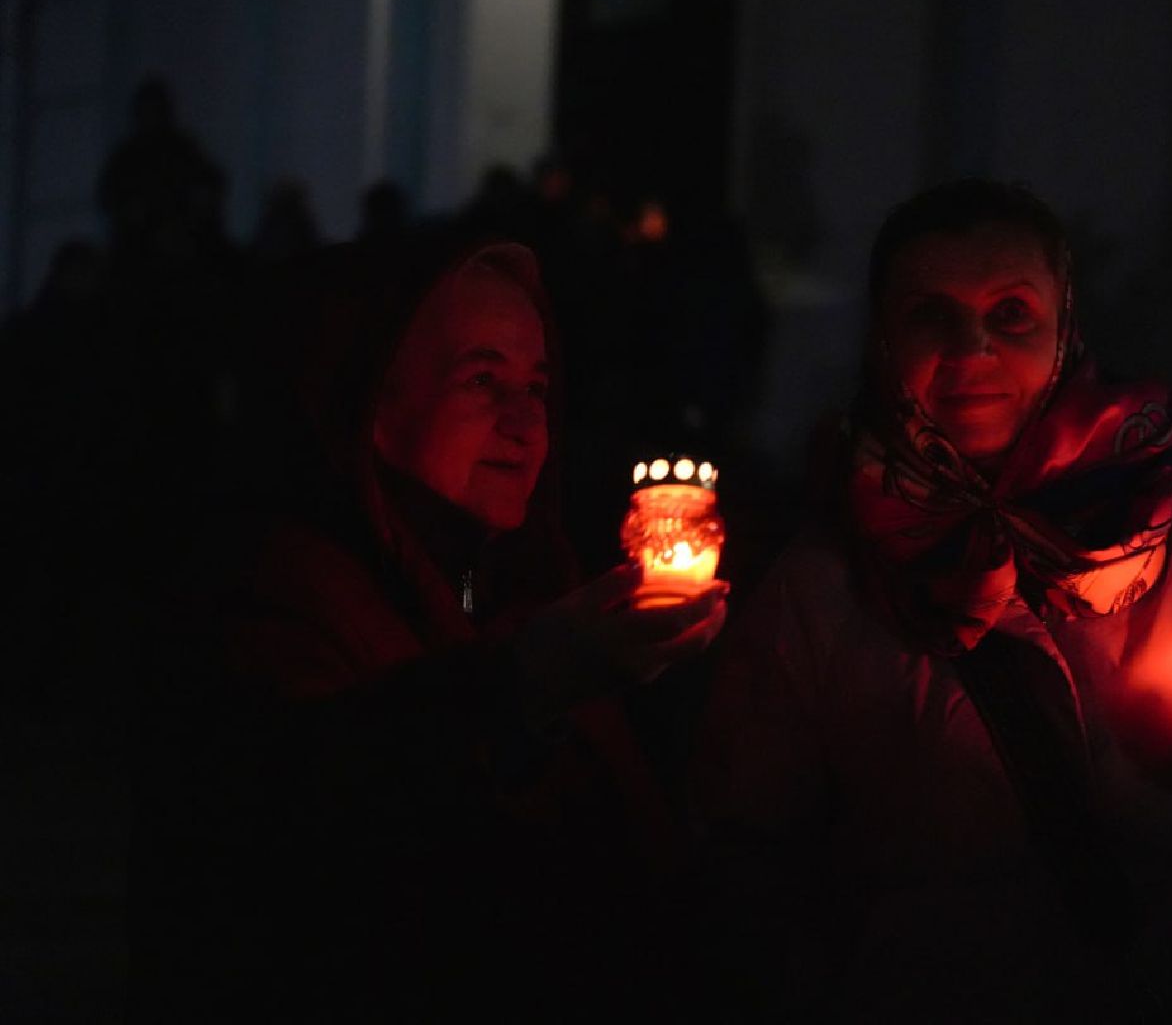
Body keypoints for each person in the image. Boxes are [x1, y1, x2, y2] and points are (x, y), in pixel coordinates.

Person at [692, 181, 1172, 1021]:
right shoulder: (820, 590)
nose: (971, 347)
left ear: (1064, 329)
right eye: (931, 315)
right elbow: (741, 862)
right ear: (883, 341)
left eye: (1011, 314)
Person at [128, 233, 727, 1023]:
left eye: (538, 388)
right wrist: (529, 682)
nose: (524, 422)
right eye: (483, 380)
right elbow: (307, 827)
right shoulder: (278, 590)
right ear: (374, 403)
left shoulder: (517, 579)